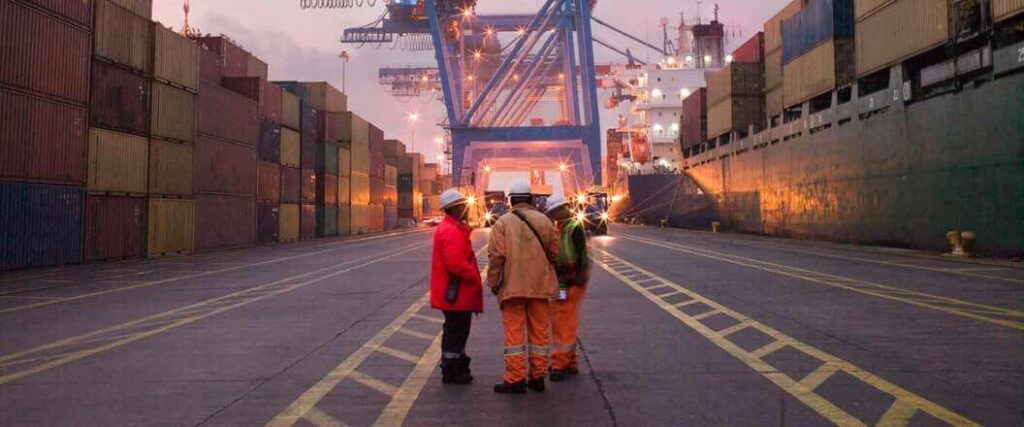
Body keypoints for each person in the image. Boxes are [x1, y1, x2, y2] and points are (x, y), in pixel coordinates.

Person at [486, 180, 560, 394]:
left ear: (511, 200)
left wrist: (493, 283)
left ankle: (515, 379)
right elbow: (555, 253)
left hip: (513, 287)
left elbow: (496, 257)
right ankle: (538, 377)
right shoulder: (545, 221)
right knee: (539, 333)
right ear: (531, 199)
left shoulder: (502, 223)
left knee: (514, 335)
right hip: (540, 286)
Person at [430, 189, 483, 385]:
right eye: (463, 205)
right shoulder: (451, 232)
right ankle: (451, 370)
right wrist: (474, 277)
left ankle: (456, 364)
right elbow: (455, 264)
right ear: (455, 208)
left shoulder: (451, 228)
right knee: (456, 331)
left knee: (457, 330)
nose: (467, 209)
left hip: (455, 293)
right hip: (456, 294)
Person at [544, 195, 591, 381]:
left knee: (562, 324)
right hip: (566, 282)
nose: (555, 215)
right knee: (565, 322)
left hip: (570, 282)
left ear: (564, 208)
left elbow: (580, 258)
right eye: (553, 212)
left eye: (556, 211)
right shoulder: (564, 228)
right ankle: (571, 362)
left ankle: (559, 364)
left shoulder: (572, 229)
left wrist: (574, 280)